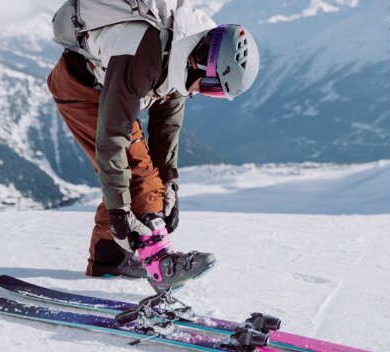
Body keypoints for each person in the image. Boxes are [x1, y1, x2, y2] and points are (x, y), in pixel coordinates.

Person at [47, 1, 259, 292]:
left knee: (148, 178)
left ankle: (109, 258)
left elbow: (167, 124)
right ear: (201, 62)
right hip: (80, 88)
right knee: (137, 174)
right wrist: (121, 210)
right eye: (210, 86)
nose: (206, 94)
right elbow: (113, 141)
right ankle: (159, 263)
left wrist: (169, 183)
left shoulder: (183, 51)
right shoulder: (144, 52)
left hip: (110, 86)